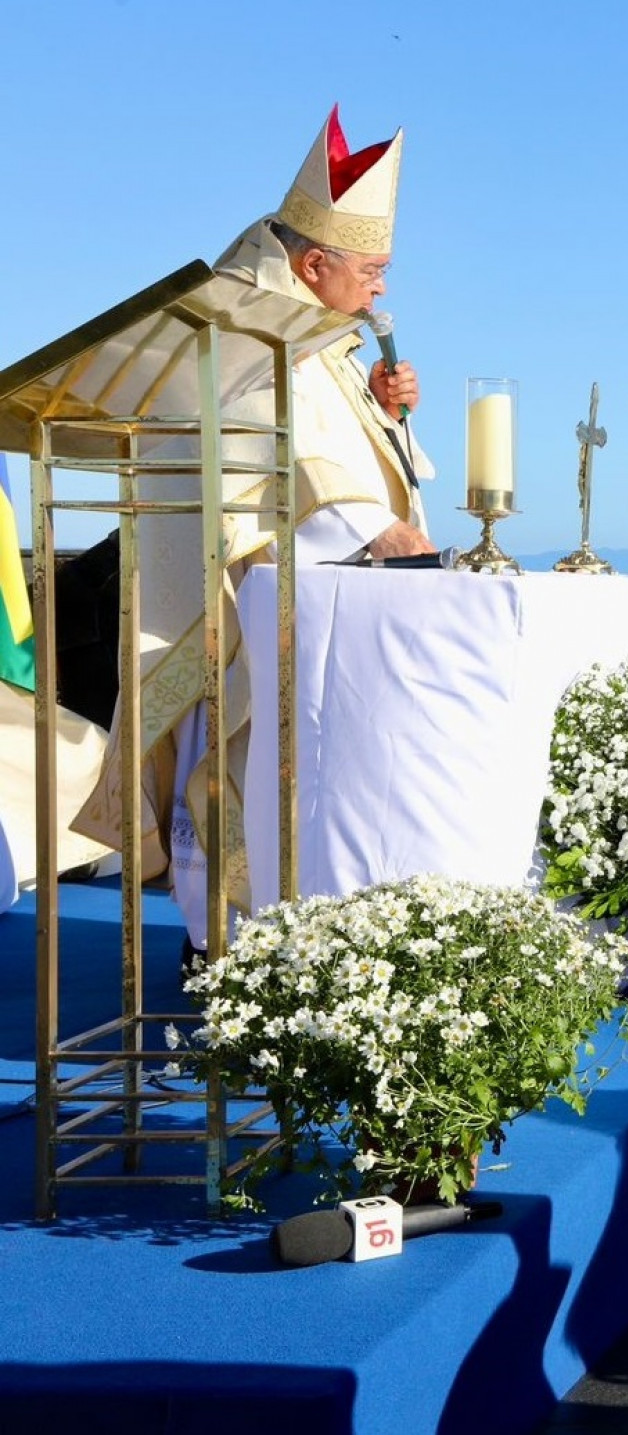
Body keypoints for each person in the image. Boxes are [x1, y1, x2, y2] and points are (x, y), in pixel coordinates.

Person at [75, 105, 433, 950]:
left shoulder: (315, 334)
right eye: (372, 269)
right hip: (236, 609)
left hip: (314, 601)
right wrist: (367, 526)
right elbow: (250, 445)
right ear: (314, 263)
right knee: (235, 768)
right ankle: (223, 948)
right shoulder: (238, 322)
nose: (382, 287)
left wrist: (383, 418)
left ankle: (307, 940)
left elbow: (325, 444)